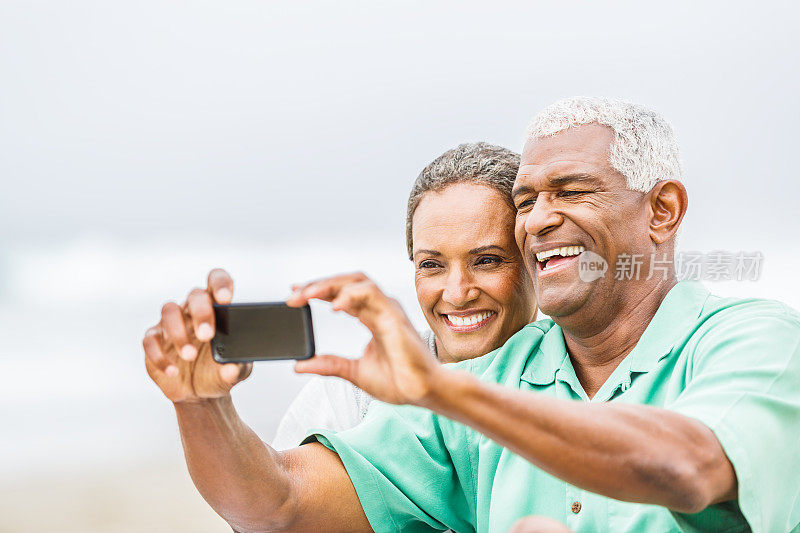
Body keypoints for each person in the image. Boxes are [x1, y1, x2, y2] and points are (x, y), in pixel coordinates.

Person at [143, 97, 800, 532]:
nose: (540, 219)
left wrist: (446, 388)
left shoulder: (754, 340)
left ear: (662, 210)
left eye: (570, 191)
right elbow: (281, 503)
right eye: (527, 200)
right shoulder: (491, 379)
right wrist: (201, 407)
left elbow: (684, 467)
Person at [272, 142, 537, 450]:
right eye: (432, 265)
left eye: (486, 260)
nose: (457, 294)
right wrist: (207, 404)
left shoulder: (577, 378)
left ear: (535, 258)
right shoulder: (355, 394)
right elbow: (272, 493)